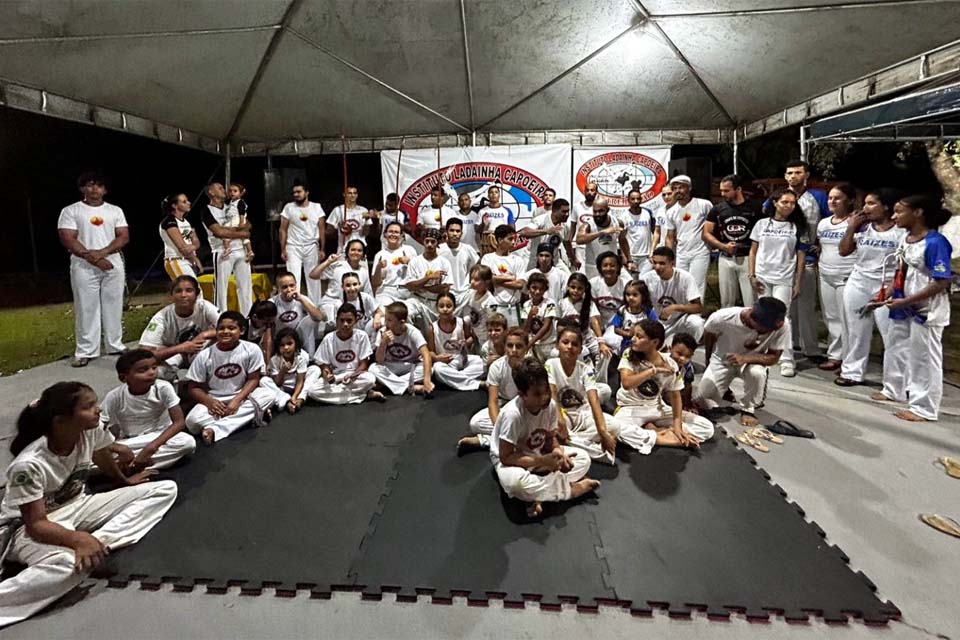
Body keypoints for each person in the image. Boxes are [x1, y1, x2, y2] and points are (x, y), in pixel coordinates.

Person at [0, 382, 177, 627]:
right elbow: (35, 525)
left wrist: (125, 481)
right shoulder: (28, 464)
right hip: (25, 528)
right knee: (65, 565)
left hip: (78, 504)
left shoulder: (90, 431)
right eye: (88, 406)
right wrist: (78, 540)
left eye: (95, 404)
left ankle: (101, 542)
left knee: (165, 489)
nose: (97, 410)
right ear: (61, 420)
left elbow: (102, 456)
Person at [488, 359, 600, 519]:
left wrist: (557, 452)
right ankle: (571, 490)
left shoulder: (551, 406)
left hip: (538, 453)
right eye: (537, 394)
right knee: (515, 484)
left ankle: (539, 495)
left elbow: (550, 438)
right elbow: (506, 457)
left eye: (546, 389)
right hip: (513, 459)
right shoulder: (513, 415)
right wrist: (543, 462)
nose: (545, 397)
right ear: (522, 394)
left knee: (584, 459)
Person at [887, 194, 953, 422]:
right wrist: (889, 293)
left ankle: (925, 408)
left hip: (927, 311)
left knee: (925, 359)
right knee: (909, 354)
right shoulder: (906, 238)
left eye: (899, 211)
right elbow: (902, 271)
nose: (894, 216)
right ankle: (903, 393)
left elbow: (941, 280)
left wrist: (907, 301)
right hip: (906, 307)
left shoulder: (935, 243)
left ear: (918, 212)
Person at [836, 189, 909, 391]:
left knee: (891, 333)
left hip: (886, 286)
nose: (865, 208)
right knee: (856, 330)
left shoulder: (900, 231)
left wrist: (892, 289)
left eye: (871, 204)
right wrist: (851, 227)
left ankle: (897, 381)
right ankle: (852, 371)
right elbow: (843, 251)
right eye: (865, 204)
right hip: (859, 282)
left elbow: (905, 265)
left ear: (885, 206)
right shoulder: (863, 228)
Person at [57, 171, 130, 367]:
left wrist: (104, 252)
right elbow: (67, 237)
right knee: (86, 307)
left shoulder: (115, 211)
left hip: (112, 261)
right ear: (82, 188)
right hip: (83, 264)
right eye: (89, 185)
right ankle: (86, 350)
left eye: (98, 185)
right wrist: (93, 258)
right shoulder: (71, 211)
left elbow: (123, 236)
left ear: (105, 189)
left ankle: (115, 344)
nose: (94, 189)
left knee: (114, 305)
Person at [615, 320, 715, 449]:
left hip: (656, 408)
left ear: (654, 342)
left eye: (639, 337)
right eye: (634, 335)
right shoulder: (629, 353)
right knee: (616, 429)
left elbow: (675, 396)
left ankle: (655, 432)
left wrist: (677, 426)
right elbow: (627, 383)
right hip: (631, 407)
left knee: (707, 428)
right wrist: (653, 371)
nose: (633, 339)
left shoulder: (671, 364)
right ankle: (669, 440)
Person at [694, 297, 790, 427]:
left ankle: (748, 407)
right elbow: (709, 334)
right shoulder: (722, 317)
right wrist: (708, 360)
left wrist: (745, 358)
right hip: (723, 359)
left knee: (756, 372)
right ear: (752, 318)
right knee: (703, 400)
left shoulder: (782, 325)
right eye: (767, 328)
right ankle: (724, 387)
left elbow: (773, 357)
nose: (771, 331)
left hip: (753, 361)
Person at [184, 311, 274, 445]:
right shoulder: (205, 355)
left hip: (242, 396)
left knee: (268, 395)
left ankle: (215, 428)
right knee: (192, 421)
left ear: (242, 331)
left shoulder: (251, 349)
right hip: (215, 399)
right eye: (221, 328)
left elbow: (253, 379)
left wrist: (237, 400)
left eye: (231, 328)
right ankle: (248, 418)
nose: (225, 332)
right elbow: (193, 387)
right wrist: (209, 402)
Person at [547, 327, 632, 465]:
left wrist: (603, 432)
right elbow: (553, 396)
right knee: (554, 428)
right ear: (557, 345)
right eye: (565, 342)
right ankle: (589, 446)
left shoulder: (585, 370)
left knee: (615, 427)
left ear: (580, 349)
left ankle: (572, 442)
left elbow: (594, 402)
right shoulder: (550, 364)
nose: (569, 347)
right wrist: (561, 421)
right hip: (563, 415)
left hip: (583, 413)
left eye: (574, 344)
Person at [99, 350, 196, 471]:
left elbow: (179, 423)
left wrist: (151, 448)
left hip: (160, 437)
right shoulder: (114, 396)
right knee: (99, 452)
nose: (151, 373)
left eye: (154, 367)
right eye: (143, 370)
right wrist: (117, 448)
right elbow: (98, 427)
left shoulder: (163, 388)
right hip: (131, 441)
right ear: (124, 377)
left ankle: (129, 466)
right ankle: (139, 464)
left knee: (187, 442)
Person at [748, 188, 808, 377]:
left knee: (783, 318)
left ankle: (786, 358)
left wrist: (797, 282)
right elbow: (753, 251)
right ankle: (764, 352)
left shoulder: (797, 227)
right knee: (762, 316)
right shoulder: (761, 224)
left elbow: (800, 256)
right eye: (785, 202)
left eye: (792, 203)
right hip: (763, 276)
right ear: (775, 203)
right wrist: (752, 275)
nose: (789, 206)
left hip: (784, 277)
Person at [782, 160, 829, 361]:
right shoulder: (780, 197)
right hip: (783, 260)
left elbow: (828, 222)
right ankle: (789, 343)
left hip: (808, 257)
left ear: (806, 175)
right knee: (786, 307)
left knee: (806, 306)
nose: (793, 176)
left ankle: (811, 348)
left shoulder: (817, 197)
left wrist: (820, 244)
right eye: (790, 173)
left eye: (798, 172)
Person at [138, 275, 219, 383]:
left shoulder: (204, 307)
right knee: (155, 373)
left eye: (189, 290)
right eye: (178, 291)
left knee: (217, 361)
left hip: (199, 350)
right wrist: (181, 348)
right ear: (171, 295)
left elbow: (230, 328)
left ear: (197, 294)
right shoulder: (161, 317)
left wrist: (204, 335)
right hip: (173, 353)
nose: (184, 295)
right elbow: (144, 354)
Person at [461, 329, 529, 452]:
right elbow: (493, 401)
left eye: (519, 346)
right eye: (510, 346)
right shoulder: (497, 367)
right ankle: (512, 439)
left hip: (525, 409)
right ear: (505, 347)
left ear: (526, 349)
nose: (514, 350)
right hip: (504, 406)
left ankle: (486, 440)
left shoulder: (532, 367)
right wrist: (499, 426)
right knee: (475, 423)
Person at [703, 174, 763, 308]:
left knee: (751, 300)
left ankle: (751, 328)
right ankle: (728, 327)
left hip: (748, 257)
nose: (723, 194)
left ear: (738, 189)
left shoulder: (755, 208)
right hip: (726, 257)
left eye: (726, 190)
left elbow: (763, 233)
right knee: (726, 301)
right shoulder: (718, 209)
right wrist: (723, 246)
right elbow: (706, 233)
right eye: (721, 190)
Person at [815, 184, 858, 371]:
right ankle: (835, 355)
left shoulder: (856, 222)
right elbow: (821, 246)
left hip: (847, 275)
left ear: (849, 200)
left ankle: (849, 360)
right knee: (831, 317)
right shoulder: (824, 223)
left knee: (847, 319)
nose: (832, 201)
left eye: (837, 198)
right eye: (830, 198)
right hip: (826, 274)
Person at [309, 303, 383, 404]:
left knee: (370, 379)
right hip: (336, 376)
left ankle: (338, 396)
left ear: (356, 321)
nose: (345, 324)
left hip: (354, 376)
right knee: (312, 391)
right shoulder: (328, 339)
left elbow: (363, 365)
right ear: (337, 321)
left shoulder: (362, 336)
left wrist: (352, 376)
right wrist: (327, 375)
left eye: (349, 321)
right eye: (342, 320)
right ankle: (363, 394)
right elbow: (324, 366)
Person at [201, 182, 253, 314]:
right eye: (220, 188)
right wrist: (241, 233)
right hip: (223, 251)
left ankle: (247, 316)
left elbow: (248, 224)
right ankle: (219, 316)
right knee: (221, 288)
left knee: (245, 286)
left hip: (240, 249)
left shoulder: (231, 206)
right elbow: (219, 232)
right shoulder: (207, 211)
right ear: (211, 192)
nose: (224, 190)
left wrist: (240, 229)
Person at [663, 175, 713, 299]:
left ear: (689, 188)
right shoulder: (671, 212)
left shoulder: (704, 204)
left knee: (697, 285)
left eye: (681, 187)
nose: (678, 191)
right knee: (681, 285)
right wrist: (669, 257)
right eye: (674, 188)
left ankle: (697, 315)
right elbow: (669, 237)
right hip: (681, 253)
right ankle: (684, 313)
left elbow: (713, 225)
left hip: (700, 252)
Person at [370, 302, 434, 396]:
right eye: (386, 319)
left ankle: (390, 385)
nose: (385, 323)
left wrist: (427, 380)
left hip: (410, 365)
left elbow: (426, 354)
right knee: (373, 369)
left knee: (429, 370)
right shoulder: (383, 331)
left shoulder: (412, 331)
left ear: (402, 322)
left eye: (389, 320)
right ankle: (411, 387)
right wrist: (383, 342)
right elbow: (379, 361)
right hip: (391, 366)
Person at [559, 272, 612, 385]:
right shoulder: (561, 304)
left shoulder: (589, 304)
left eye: (579, 288)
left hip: (587, 339)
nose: (575, 291)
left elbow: (594, 321)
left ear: (584, 290)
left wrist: (601, 342)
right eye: (573, 287)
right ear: (568, 286)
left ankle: (598, 382)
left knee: (605, 354)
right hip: (572, 341)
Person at [642, 247, 704, 342]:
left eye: (662, 263)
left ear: (672, 263)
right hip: (657, 322)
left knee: (696, 323)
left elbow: (698, 307)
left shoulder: (685, 278)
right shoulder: (646, 278)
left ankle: (688, 349)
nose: (657, 267)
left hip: (680, 320)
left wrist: (675, 307)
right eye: (655, 263)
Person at [279, 180, 326, 303]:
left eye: (299, 192)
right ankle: (294, 306)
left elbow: (321, 229)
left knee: (314, 278)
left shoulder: (317, 207)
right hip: (293, 246)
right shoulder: (288, 208)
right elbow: (283, 229)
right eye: (294, 192)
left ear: (307, 193)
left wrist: (322, 249)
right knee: (293, 277)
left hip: (311, 246)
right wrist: (283, 249)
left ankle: (315, 307)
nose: (296, 194)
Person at [428, 292, 484, 391]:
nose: (445, 309)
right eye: (441, 306)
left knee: (482, 362)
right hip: (445, 362)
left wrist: (466, 342)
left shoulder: (461, 322)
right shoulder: (433, 328)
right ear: (436, 308)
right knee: (437, 369)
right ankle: (477, 384)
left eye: (449, 306)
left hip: (462, 358)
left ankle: (452, 379)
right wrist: (437, 358)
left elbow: (470, 338)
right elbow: (430, 351)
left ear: (454, 307)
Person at [403, 228, 454, 334]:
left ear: (438, 243)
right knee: (405, 311)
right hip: (417, 300)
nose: (429, 244)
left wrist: (420, 285)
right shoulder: (415, 261)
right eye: (427, 241)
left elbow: (445, 288)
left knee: (431, 333)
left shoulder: (444, 263)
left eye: (433, 241)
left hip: (435, 304)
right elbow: (409, 286)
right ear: (423, 242)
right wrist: (428, 278)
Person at [259, 327, 321, 414]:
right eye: (282, 345)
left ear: (296, 344)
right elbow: (277, 383)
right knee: (264, 381)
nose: (286, 347)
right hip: (282, 388)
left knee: (315, 369)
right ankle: (285, 399)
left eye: (289, 344)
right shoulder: (275, 360)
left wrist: (295, 396)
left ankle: (300, 399)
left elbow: (300, 381)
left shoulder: (300, 357)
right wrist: (283, 371)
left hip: (297, 385)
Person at [311, 239, 373, 324]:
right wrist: (328, 262)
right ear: (347, 252)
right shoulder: (337, 266)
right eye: (353, 250)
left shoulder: (364, 271)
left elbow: (367, 293)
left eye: (359, 250)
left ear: (363, 254)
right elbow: (313, 275)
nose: (356, 252)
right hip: (331, 302)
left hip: (352, 305)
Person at [479, 225, 527, 326]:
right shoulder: (487, 259)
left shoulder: (518, 260)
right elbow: (486, 281)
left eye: (513, 239)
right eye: (510, 239)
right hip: (494, 307)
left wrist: (496, 280)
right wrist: (510, 278)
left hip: (514, 307)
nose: (513, 242)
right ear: (500, 240)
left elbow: (520, 284)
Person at [575, 196, 632, 280]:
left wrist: (629, 260)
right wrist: (602, 232)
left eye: (601, 211)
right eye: (595, 211)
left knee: (630, 283)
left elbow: (623, 241)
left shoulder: (618, 223)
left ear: (607, 210)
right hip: (593, 266)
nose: (597, 214)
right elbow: (579, 239)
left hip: (612, 266)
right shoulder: (588, 225)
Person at [270, 271, 326, 355]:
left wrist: (301, 300)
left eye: (292, 285)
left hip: (299, 338)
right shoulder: (273, 302)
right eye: (284, 287)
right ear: (278, 288)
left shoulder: (302, 298)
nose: (289, 290)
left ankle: (310, 355)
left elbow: (318, 318)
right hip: (281, 339)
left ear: (296, 284)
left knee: (310, 319)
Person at [521, 198, 578, 271]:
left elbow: (567, 243)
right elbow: (524, 232)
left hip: (555, 261)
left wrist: (573, 259)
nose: (567, 214)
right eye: (564, 212)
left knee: (568, 279)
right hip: (536, 261)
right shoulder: (541, 219)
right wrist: (547, 231)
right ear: (554, 211)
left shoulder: (566, 226)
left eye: (568, 211)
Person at [372, 221, 418, 308]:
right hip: (386, 292)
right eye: (390, 231)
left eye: (396, 232)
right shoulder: (380, 255)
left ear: (401, 236)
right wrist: (378, 268)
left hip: (406, 292)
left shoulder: (410, 250)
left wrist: (409, 262)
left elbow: (419, 274)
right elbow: (375, 283)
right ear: (385, 234)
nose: (393, 234)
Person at [438, 218, 480, 314]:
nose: (455, 234)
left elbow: (478, 266)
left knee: (467, 321)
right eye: (452, 230)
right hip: (446, 294)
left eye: (458, 231)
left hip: (465, 294)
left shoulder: (468, 249)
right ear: (446, 232)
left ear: (461, 233)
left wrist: (471, 282)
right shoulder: (439, 250)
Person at [159, 193, 202, 282]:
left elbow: (197, 242)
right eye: (184, 201)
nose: (189, 203)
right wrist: (194, 257)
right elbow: (183, 248)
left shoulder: (186, 222)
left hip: (187, 259)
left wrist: (192, 251)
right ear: (174, 205)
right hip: (176, 260)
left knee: (194, 291)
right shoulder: (169, 222)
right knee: (191, 290)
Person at [606, 279, 657, 353]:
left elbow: (656, 327)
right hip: (626, 346)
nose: (630, 298)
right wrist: (628, 334)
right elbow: (616, 329)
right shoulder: (622, 310)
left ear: (643, 296)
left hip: (644, 347)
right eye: (628, 294)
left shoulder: (648, 312)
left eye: (635, 295)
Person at [590, 251, 632, 337]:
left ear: (618, 267)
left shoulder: (626, 284)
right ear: (600, 268)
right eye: (605, 265)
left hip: (620, 326)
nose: (608, 268)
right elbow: (593, 310)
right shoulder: (593, 283)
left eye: (612, 265)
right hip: (600, 325)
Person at [522, 272, 558, 363]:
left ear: (545, 290)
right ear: (528, 288)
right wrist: (530, 315)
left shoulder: (549, 303)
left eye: (541, 289)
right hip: (535, 346)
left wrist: (530, 343)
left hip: (548, 344)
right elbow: (525, 329)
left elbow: (546, 327)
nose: (537, 292)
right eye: (534, 288)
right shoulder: (526, 305)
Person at [620, 189, 656, 276]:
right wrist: (626, 258)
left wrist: (653, 252)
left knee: (645, 283)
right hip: (631, 256)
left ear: (641, 199)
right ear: (628, 200)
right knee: (633, 284)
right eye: (633, 199)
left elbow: (655, 233)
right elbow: (621, 239)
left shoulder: (648, 213)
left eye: (638, 199)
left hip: (646, 256)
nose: (636, 201)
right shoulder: (623, 216)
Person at [328, 186, 373, 254]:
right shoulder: (338, 210)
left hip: (359, 248)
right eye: (349, 193)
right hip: (343, 248)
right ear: (344, 195)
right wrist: (339, 225)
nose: (352, 195)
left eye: (354, 193)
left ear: (357, 195)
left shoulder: (363, 210)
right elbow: (329, 231)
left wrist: (367, 220)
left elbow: (366, 233)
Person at [341, 272, 382, 338]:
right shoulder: (340, 302)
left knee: (380, 321)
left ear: (359, 284)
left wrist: (377, 318)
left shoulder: (366, 297)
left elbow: (379, 312)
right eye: (348, 285)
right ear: (342, 287)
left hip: (366, 330)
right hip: (349, 331)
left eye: (355, 284)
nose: (352, 288)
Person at [224, 183, 255, 265]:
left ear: (240, 193)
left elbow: (241, 212)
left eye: (235, 191)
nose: (232, 193)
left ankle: (248, 250)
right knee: (240, 237)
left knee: (230, 234)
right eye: (230, 191)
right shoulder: (230, 203)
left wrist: (241, 222)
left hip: (237, 220)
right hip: (232, 220)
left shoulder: (240, 202)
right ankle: (248, 251)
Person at [478, 185, 514, 252]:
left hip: (503, 241)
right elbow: (477, 230)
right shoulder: (482, 211)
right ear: (488, 195)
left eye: (496, 192)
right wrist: (483, 224)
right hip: (488, 243)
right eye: (491, 192)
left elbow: (512, 229)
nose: (494, 194)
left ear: (499, 195)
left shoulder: (507, 210)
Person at [650, 183, 674, 249]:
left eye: (669, 194)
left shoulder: (681, 210)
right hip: (664, 248)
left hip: (679, 250)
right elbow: (657, 232)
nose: (666, 197)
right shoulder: (660, 211)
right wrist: (652, 249)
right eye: (664, 195)